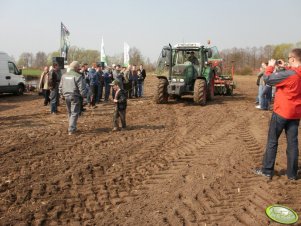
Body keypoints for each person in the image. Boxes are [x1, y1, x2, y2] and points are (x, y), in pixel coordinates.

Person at [254, 48, 301, 180]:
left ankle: (267, 170)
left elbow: (268, 79)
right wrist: (283, 67)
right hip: (296, 113)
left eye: (288, 58)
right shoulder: (294, 73)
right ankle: (292, 174)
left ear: (293, 59)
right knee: (293, 144)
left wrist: (269, 66)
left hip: (282, 112)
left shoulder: (290, 74)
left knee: (272, 140)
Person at [59, 61, 85, 135]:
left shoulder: (64, 75)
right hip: (75, 96)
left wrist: (61, 95)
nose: (79, 69)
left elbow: (60, 86)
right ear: (76, 68)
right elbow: (82, 88)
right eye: (78, 68)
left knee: (70, 112)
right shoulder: (78, 76)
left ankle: (72, 126)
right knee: (74, 113)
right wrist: (84, 97)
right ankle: (71, 129)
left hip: (66, 96)